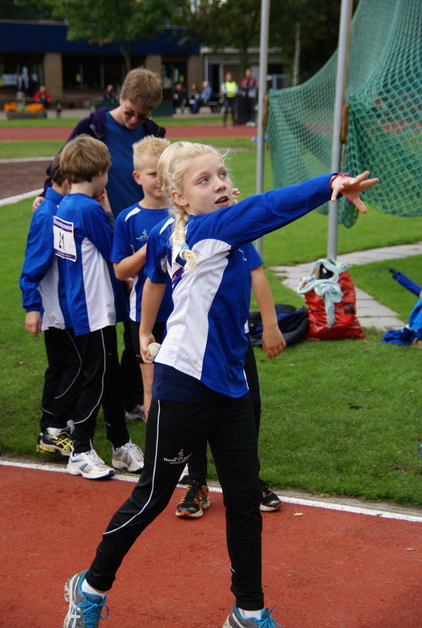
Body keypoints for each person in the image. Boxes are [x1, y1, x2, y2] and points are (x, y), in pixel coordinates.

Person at [61, 140, 377, 627]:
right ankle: (91, 586)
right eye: (204, 180)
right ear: (180, 197)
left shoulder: (185, 229)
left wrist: (147, 330)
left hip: (230, 385)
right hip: (184, 386)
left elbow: (158, 277)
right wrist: (330, 183)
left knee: (244, 500)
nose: (222, 184)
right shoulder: (208, 229)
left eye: (223, 174)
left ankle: (248, 611)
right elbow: (264, 208)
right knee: (151, 498)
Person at [34, 67, 166, 419]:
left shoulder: (153, 134)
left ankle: (133, 396)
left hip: (141, 231)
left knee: (140, 321)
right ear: (120, 97)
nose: (135, 119)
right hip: (104, 235)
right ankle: (103, 401)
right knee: (107, 317)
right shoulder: (93, 126)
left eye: (143, 115)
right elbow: (64, 166)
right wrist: (48, 199)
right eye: (130, 110)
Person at [54, 135, 144, 480]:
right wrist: (108, 213)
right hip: (93, 306)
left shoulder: (66, 204)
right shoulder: (87, 208)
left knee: (111, 375)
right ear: (100, 172)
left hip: (85, 303)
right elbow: (114, 250)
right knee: (98, 378)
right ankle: (80, 448)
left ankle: (119, 444)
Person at [175, 260, 285, 519]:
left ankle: (247, 480)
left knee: (251, 404)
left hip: (235, 336)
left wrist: (270, 325)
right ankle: (197, 481)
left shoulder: (233, 226)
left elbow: (256, 273)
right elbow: (156, 283)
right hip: (194, 339)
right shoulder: (173, 234)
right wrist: (146, 330)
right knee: (198, 408)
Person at [20, 155, 80, 457]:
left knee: (61, 366)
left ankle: (51, 425)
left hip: (61, 304)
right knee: (75, 365)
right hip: (59, 307)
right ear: (69, 181)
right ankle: (55, 427)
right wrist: (32, 305)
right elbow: (35, 262)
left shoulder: (54, 207)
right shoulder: (49, 213)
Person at [111, 136, 172, 419]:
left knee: (181, 386)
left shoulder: (185, 210)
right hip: (145, 317)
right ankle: (157, 454)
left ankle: (184, 452)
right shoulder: (128, 218)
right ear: (137, 177)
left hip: (183, 312)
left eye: (165, 173)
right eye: (152, 174)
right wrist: (150, 249)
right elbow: (120, 270)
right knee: (151, 388)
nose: (160, 180)